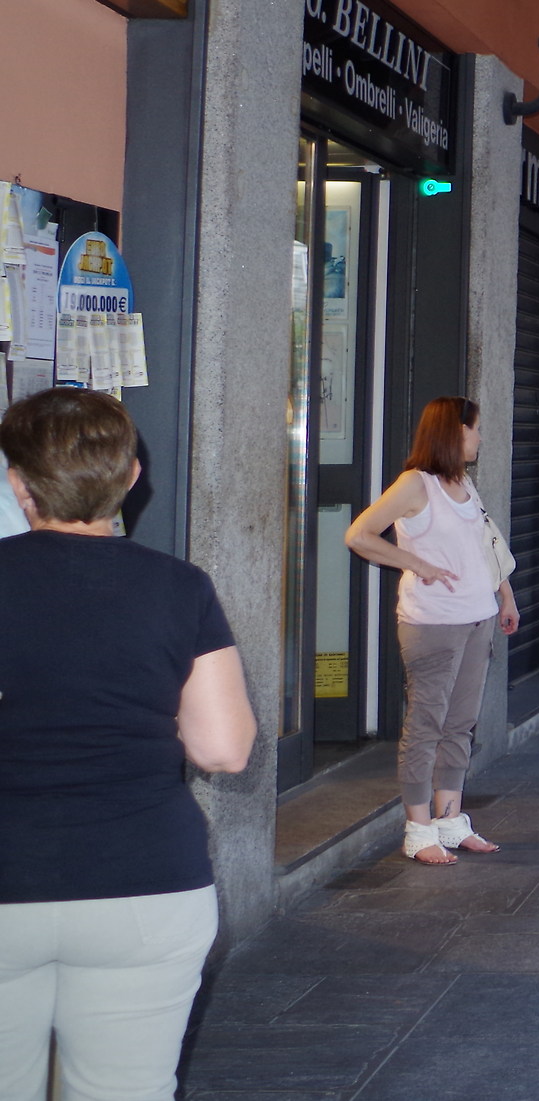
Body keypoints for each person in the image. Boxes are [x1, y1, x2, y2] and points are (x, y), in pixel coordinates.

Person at [0, 389, 256, 1101]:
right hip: (146, 882)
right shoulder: (179, 587)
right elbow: (225, 748)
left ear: (17, 481)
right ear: (130, 476)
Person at [343, 396, 517, 864]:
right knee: (427, 725)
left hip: (477, 619)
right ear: (454, 431)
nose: (480, 437)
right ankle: (419, 830)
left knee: (460, 725)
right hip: (433, 625)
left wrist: (505, 595)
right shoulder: (414, 485)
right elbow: (358, 535)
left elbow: (486, 542)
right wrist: (416, 563)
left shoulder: (462, 482)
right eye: (475, 429)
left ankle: (451, 821)